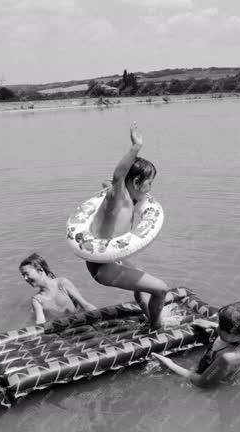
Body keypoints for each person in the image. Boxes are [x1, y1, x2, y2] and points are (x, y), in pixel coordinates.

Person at [85, 122, 170, 329]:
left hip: (111, 260)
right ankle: (156, 327)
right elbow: (117, 178)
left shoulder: (125, 197)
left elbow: (106, 183)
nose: (151, 188)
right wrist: (136, 147)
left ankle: (144, 309)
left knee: (140, 276)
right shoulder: (120, 197)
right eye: (149, 183)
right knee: (161, 290)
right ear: (135, 182)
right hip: (103, 267)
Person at [151, 302, 240, 387]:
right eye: (220, 324)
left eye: (222, 328)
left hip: (218, 384)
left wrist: (171, 365)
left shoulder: (230, 356)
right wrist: (206, 323)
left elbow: (202, 383)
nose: (218, 328)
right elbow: (227, 331)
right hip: (211, 367)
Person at [19, 253, 97, 324]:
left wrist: (100, 317)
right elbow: (40, 322)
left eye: (26, 274)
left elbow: (85, 305)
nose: (25, 278)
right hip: (59, 330)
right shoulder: (37, 299)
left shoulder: (62, 283)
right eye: (23, 275)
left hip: (79, 323)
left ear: (40, 270)